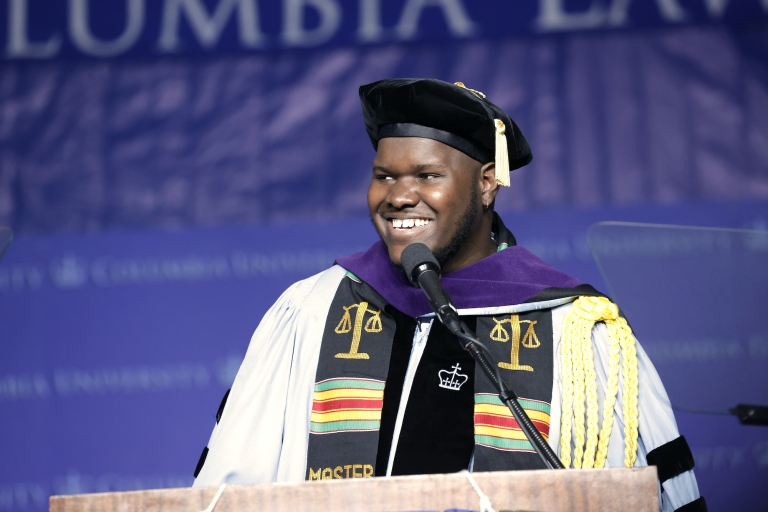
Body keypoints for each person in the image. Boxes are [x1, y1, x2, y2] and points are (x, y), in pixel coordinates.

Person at [192, 79, 705, 512]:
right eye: (384, 176)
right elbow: (231, 484)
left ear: (486, 184)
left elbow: (647, 487)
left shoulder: (575, 330)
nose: (398, 196)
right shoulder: (314, 309)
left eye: (427, 176)